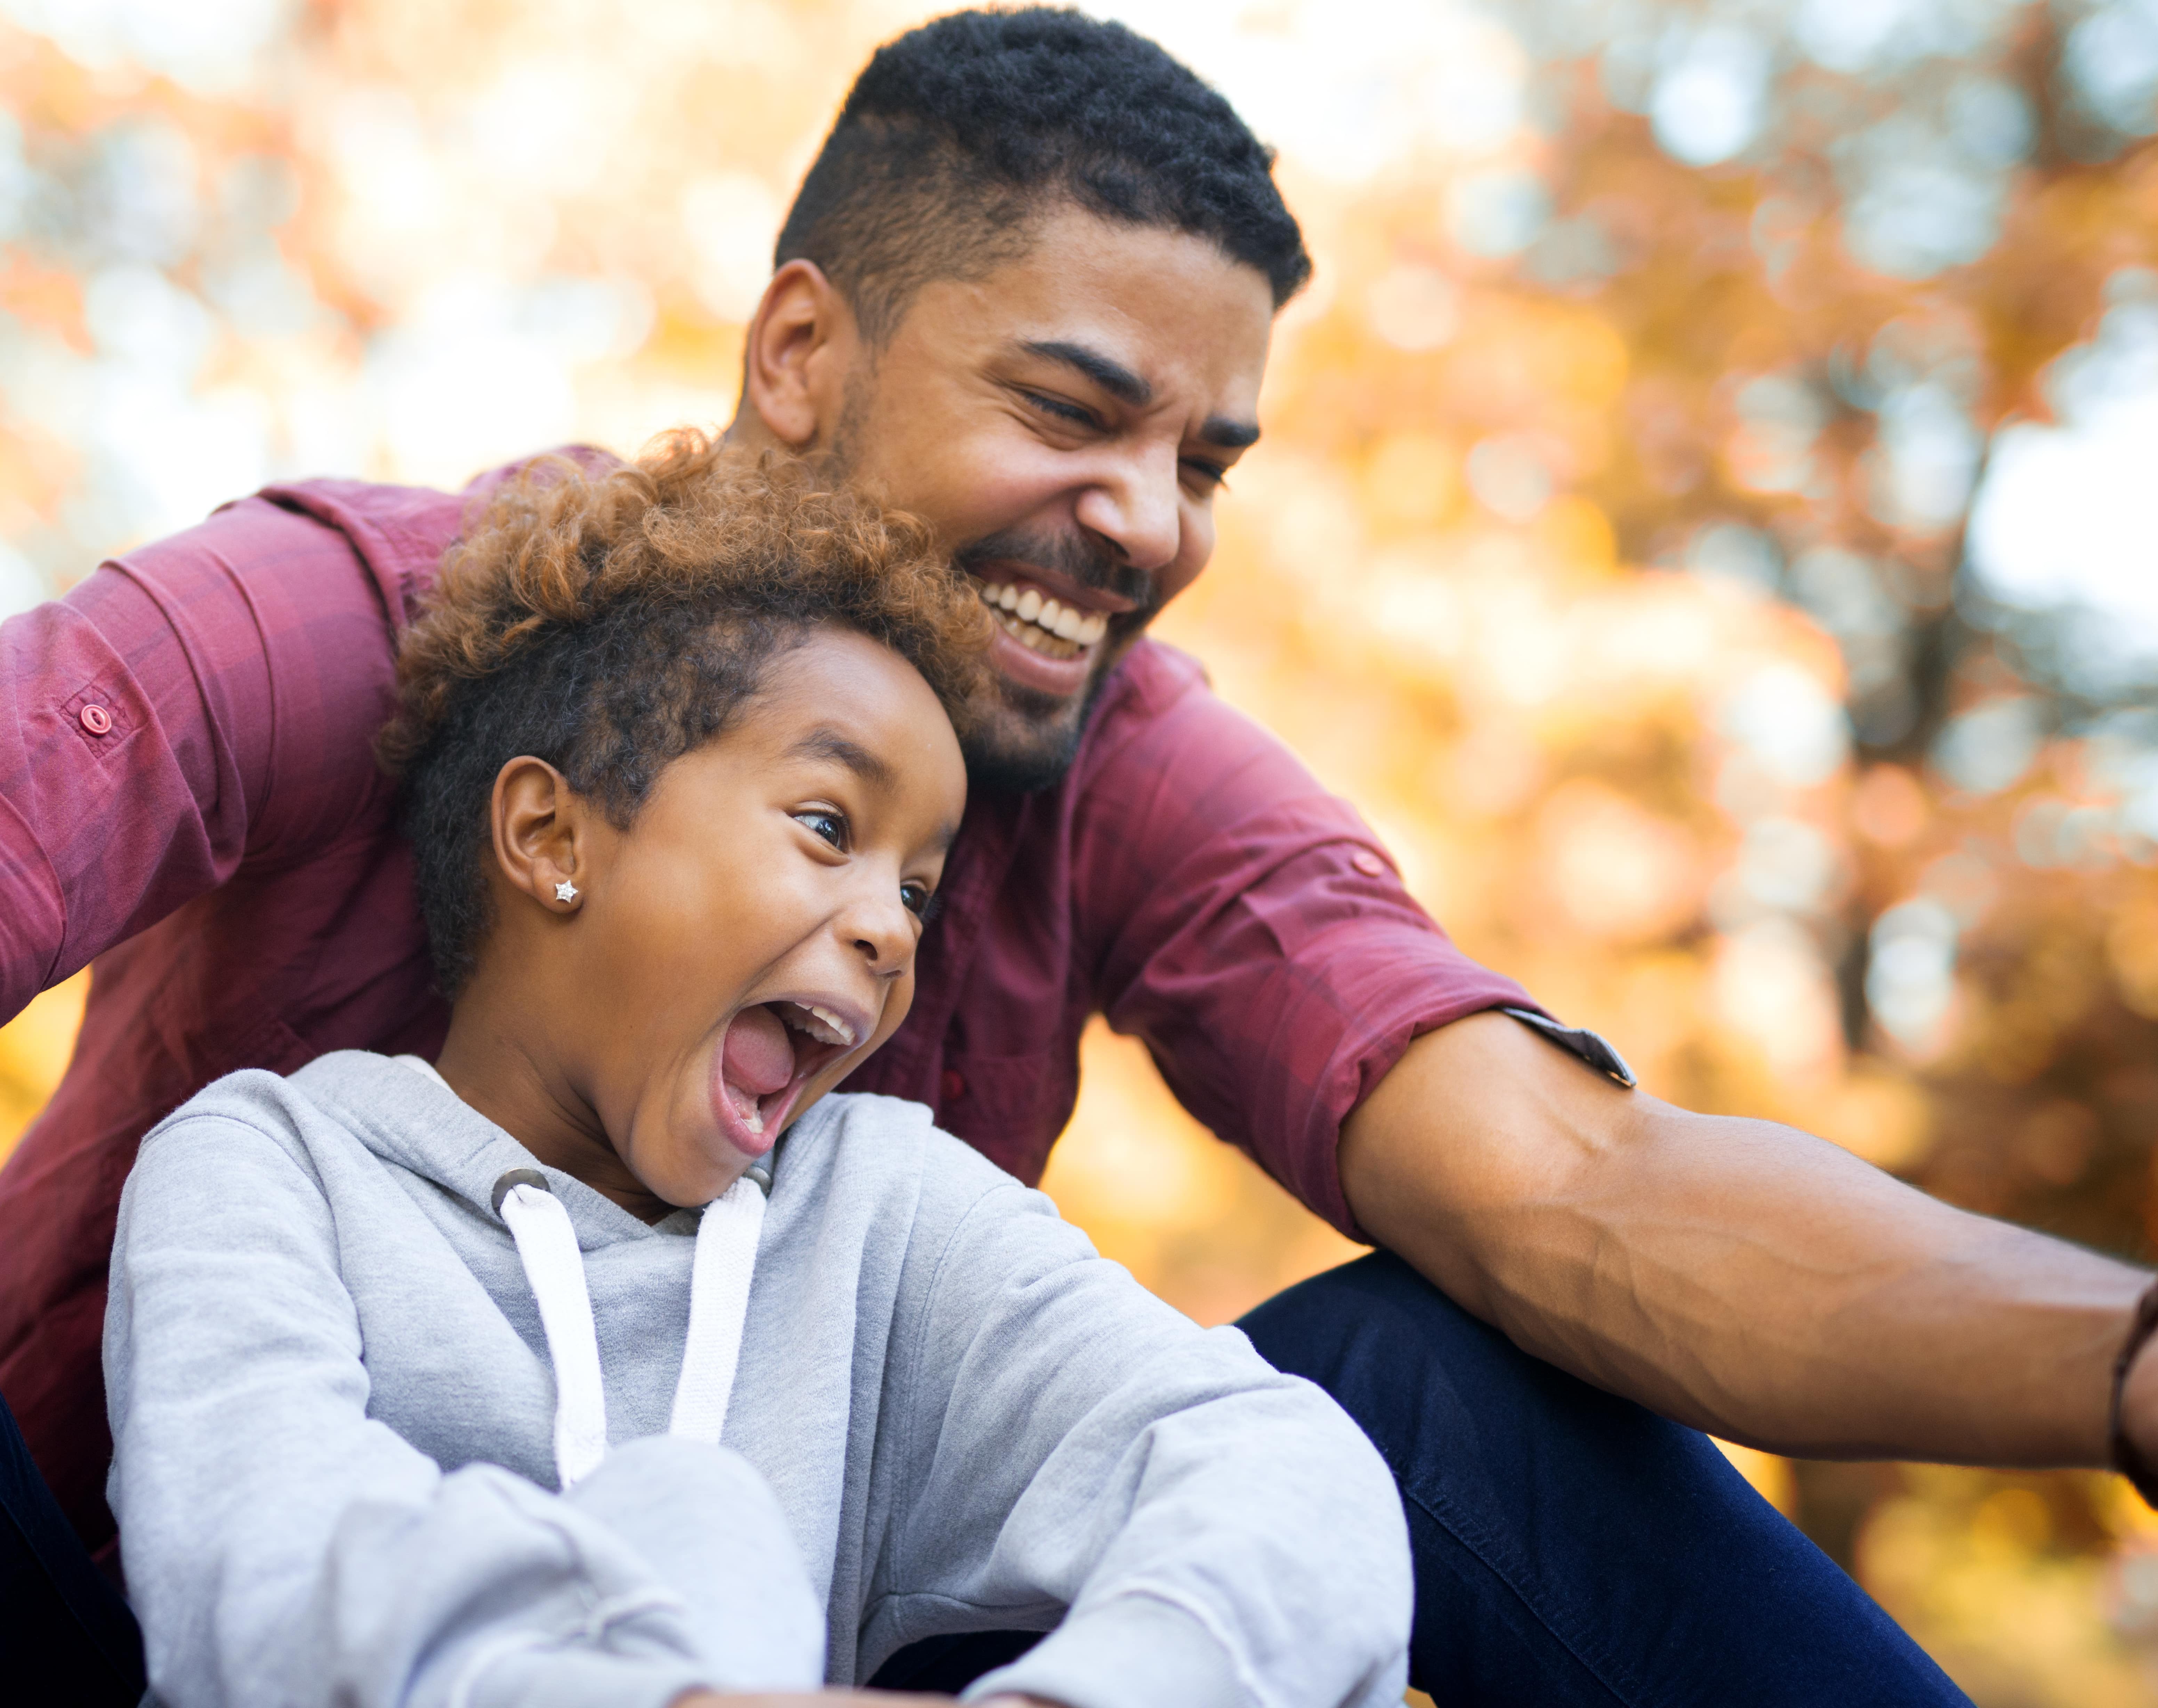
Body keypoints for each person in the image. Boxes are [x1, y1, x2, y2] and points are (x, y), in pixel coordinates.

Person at [0, 8, 2158, 1705]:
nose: (1149, 524)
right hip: (145, 1611)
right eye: (1078, 410)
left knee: (1440, 1380)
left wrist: (2146, 1359)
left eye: (1209, 461)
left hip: (822, 1646)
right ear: (803, 359)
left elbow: (1568, 1190)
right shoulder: (360, 636)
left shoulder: (1105, 784)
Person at [106, 438, 1412, 1708]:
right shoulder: (263, 1167)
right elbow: (255, 1561)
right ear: (552, 834)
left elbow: (1282, 1476)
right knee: (692, 1509)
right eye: (828, 826)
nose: (894, 928)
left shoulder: (878, 1219)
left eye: (918, 888)